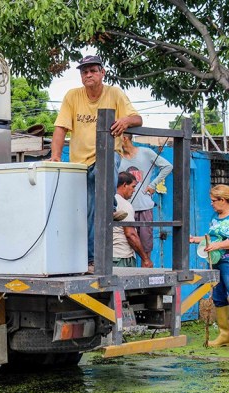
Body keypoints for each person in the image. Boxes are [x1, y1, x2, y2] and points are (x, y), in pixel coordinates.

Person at [49, 55, 143, 268]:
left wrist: (126, 120)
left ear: (102, 72)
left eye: (93, 70)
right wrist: (55, 155)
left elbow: (137, 119)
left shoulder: (115, 93)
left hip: (106, 156)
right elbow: (60, 127)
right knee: (89, 210)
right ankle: (91, 257)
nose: (88, 74)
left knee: (104, 170)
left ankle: (109, 206)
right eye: (84, 71)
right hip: (80, 163)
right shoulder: (73, 96)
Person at [190, 185, 229, 351]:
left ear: (223, 200)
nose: (211, 204)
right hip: (217, 263)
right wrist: (194, 239)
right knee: (219, 298)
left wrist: (220, 244)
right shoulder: (215, 216)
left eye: (213, 201)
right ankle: (225, 335)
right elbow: (211, 239)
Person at [119, 133, 173, 261]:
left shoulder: (145, 153)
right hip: (124, 209)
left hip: (143, 207)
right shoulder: (117, 157)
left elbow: (167, 166)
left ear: (125, 138)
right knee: (123, 248)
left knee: (145, 249)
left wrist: (153, 184)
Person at [113, 172, 153, 268]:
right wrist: (145, 259)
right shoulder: (125, 205)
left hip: (110, 256)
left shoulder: (109, 201)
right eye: (133, 186)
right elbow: (130, 234)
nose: (134, 190)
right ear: (124, 185)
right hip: (122, 257)